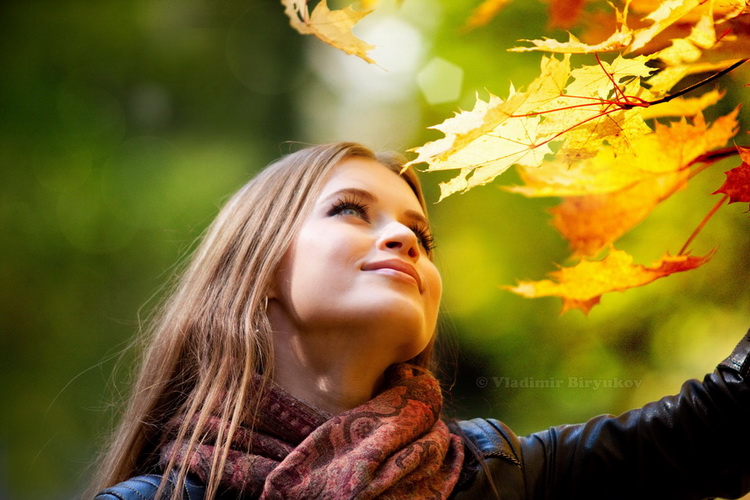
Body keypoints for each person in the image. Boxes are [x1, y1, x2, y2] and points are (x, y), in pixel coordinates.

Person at [91, 142, 750, 500]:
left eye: (421, 235)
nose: (404, 241)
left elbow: (725, 429)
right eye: (351, 210)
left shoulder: (500, 478)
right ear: (256, 268)